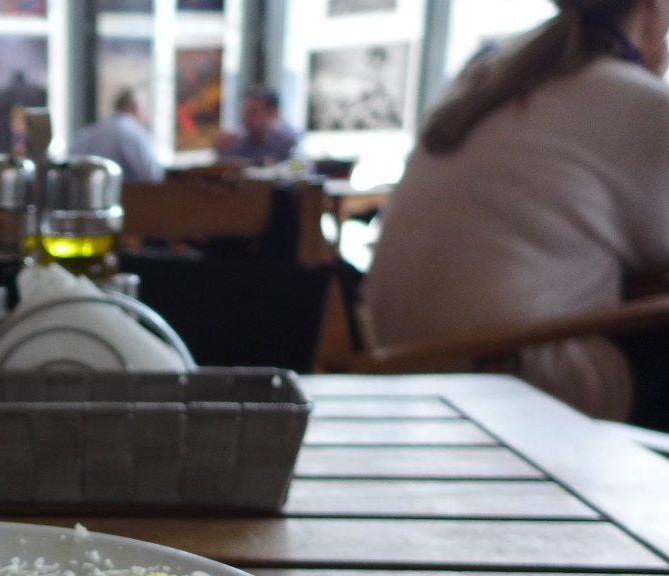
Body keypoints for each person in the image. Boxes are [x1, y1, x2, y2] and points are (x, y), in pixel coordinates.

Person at [364, 0, 669, 424]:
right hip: (506, 379)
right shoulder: (638, 101)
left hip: (394, 364)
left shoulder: (491, 80)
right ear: (652, 8)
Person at [70, 89, 161, 182]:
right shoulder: (135, 134)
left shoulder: (87, 132)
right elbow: (152, 176)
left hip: (85, 192)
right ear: (133, 108)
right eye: (144, 108)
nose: (146, 115)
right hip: (126, 195)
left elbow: (72, 166)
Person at [215, 84, 301, 164]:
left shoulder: (288, 142)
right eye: (244, 112)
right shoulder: (241, 140)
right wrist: (221, 149)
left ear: (273, 112)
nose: (246, 119)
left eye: (253, 112)